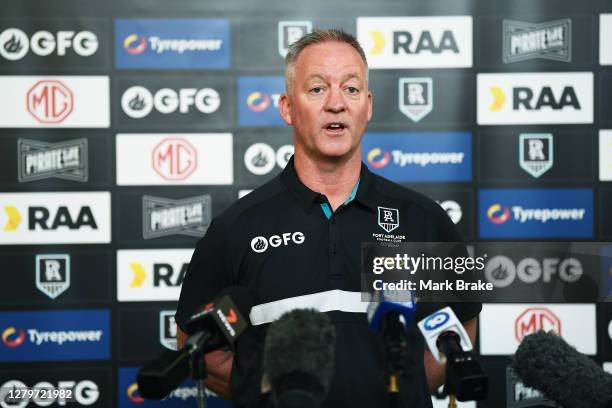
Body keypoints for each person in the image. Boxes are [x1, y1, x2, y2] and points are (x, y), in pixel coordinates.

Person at [175, 29, 480, 408]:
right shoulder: (236, 228)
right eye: (317, 89)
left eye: (351, 89)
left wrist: (404, 389)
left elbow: (461, 324)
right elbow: (196, 347)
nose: (336, 103)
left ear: (367, 106)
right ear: (287, 107)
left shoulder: (425, 220)